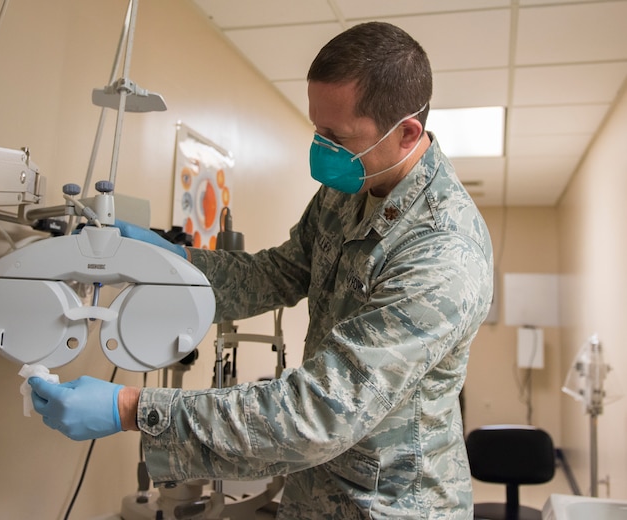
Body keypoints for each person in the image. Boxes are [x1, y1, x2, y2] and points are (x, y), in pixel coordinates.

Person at [29, 21, 493, 519]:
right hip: (314, 490)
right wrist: (167, 262)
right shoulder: (350, 187)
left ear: (405, 134)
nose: (322, 148)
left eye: (336, 136)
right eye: (317, 129)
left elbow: (320, 413)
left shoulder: (443, 254)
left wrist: (129, 408)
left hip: (391, 504)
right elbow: (278, 272)